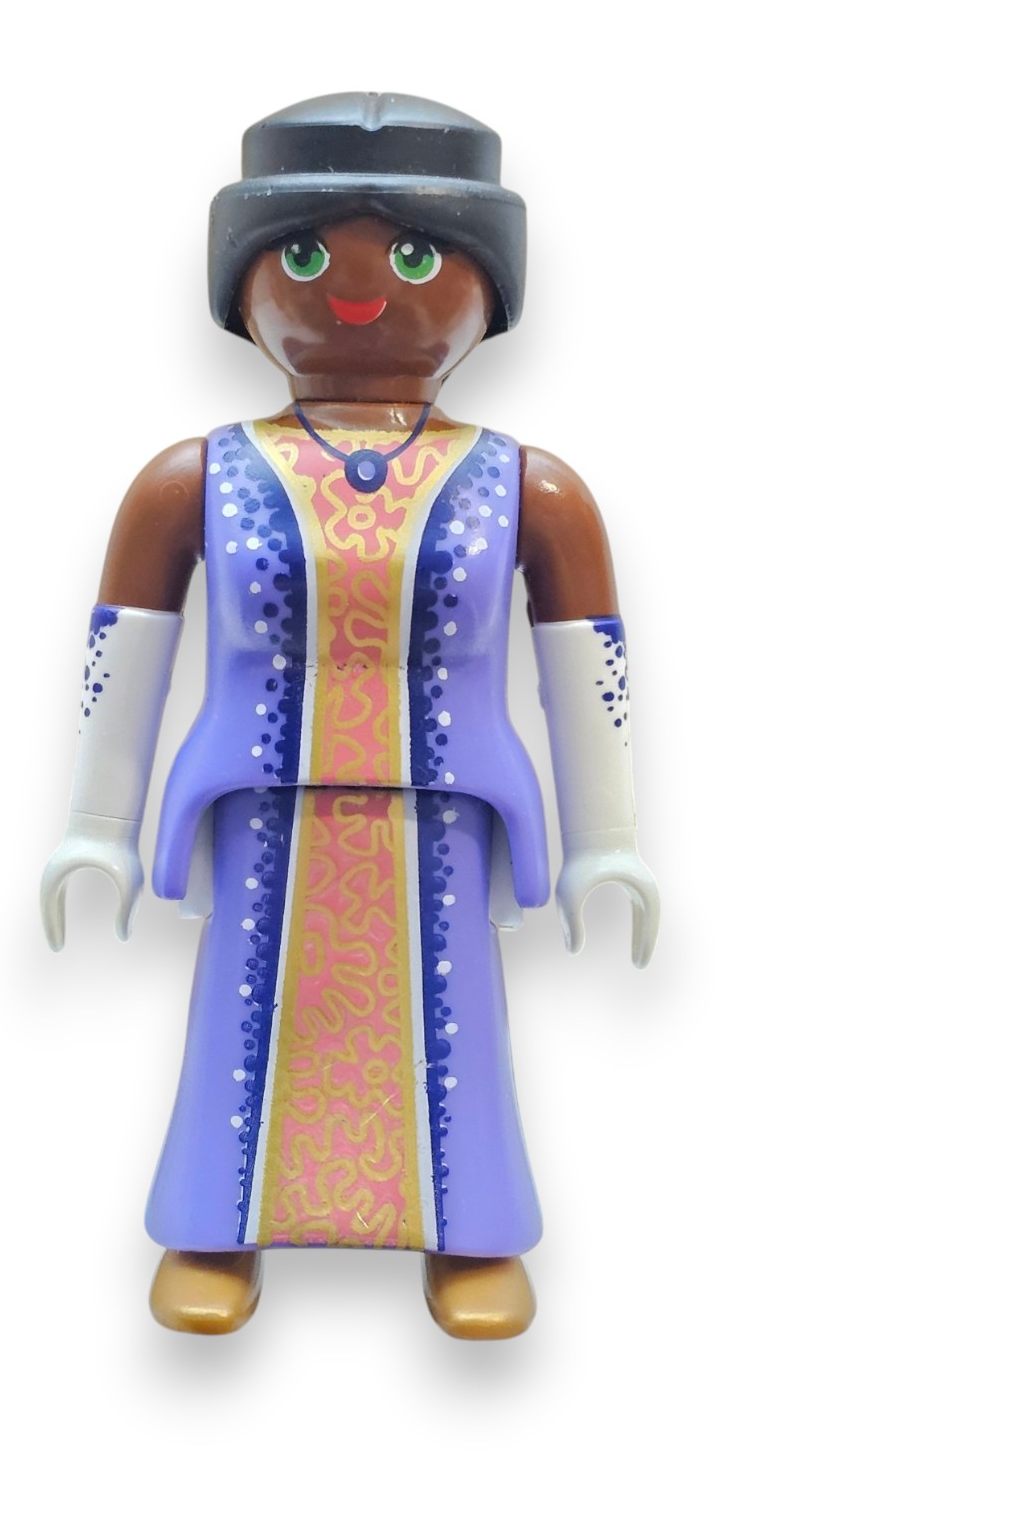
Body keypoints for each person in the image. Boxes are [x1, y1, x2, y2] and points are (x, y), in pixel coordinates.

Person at [40, 92, 660, 1339]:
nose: (362, 289)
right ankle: (217, 1223)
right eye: (309, 254)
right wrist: (96, 824)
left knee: (450, 1025)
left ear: (488, 285)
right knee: (244, 1016)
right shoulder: (195, 477)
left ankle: (466, 1228)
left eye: (417, 256)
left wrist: (608, 842)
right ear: (243, 281)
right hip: (261, 807)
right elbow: (128, 652)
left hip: (445, 816)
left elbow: (585, 663)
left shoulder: (527, 486)